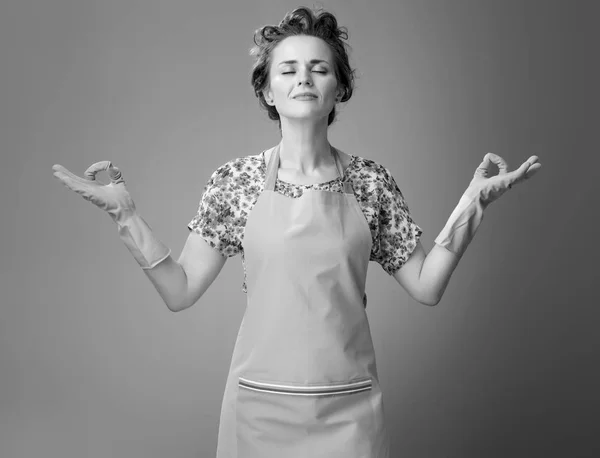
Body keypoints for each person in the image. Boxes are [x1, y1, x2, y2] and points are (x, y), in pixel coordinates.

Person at [51, 6, 542, 458]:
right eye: (287, 69)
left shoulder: (371, 183)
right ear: (267, 90)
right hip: (257, 411)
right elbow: (180, 291)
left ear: (338, 89)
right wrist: (126, 215)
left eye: (319, 69)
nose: (303, 78)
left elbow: (426, 286)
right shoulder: (235, 182)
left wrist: (472, 203)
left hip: (349, 409)